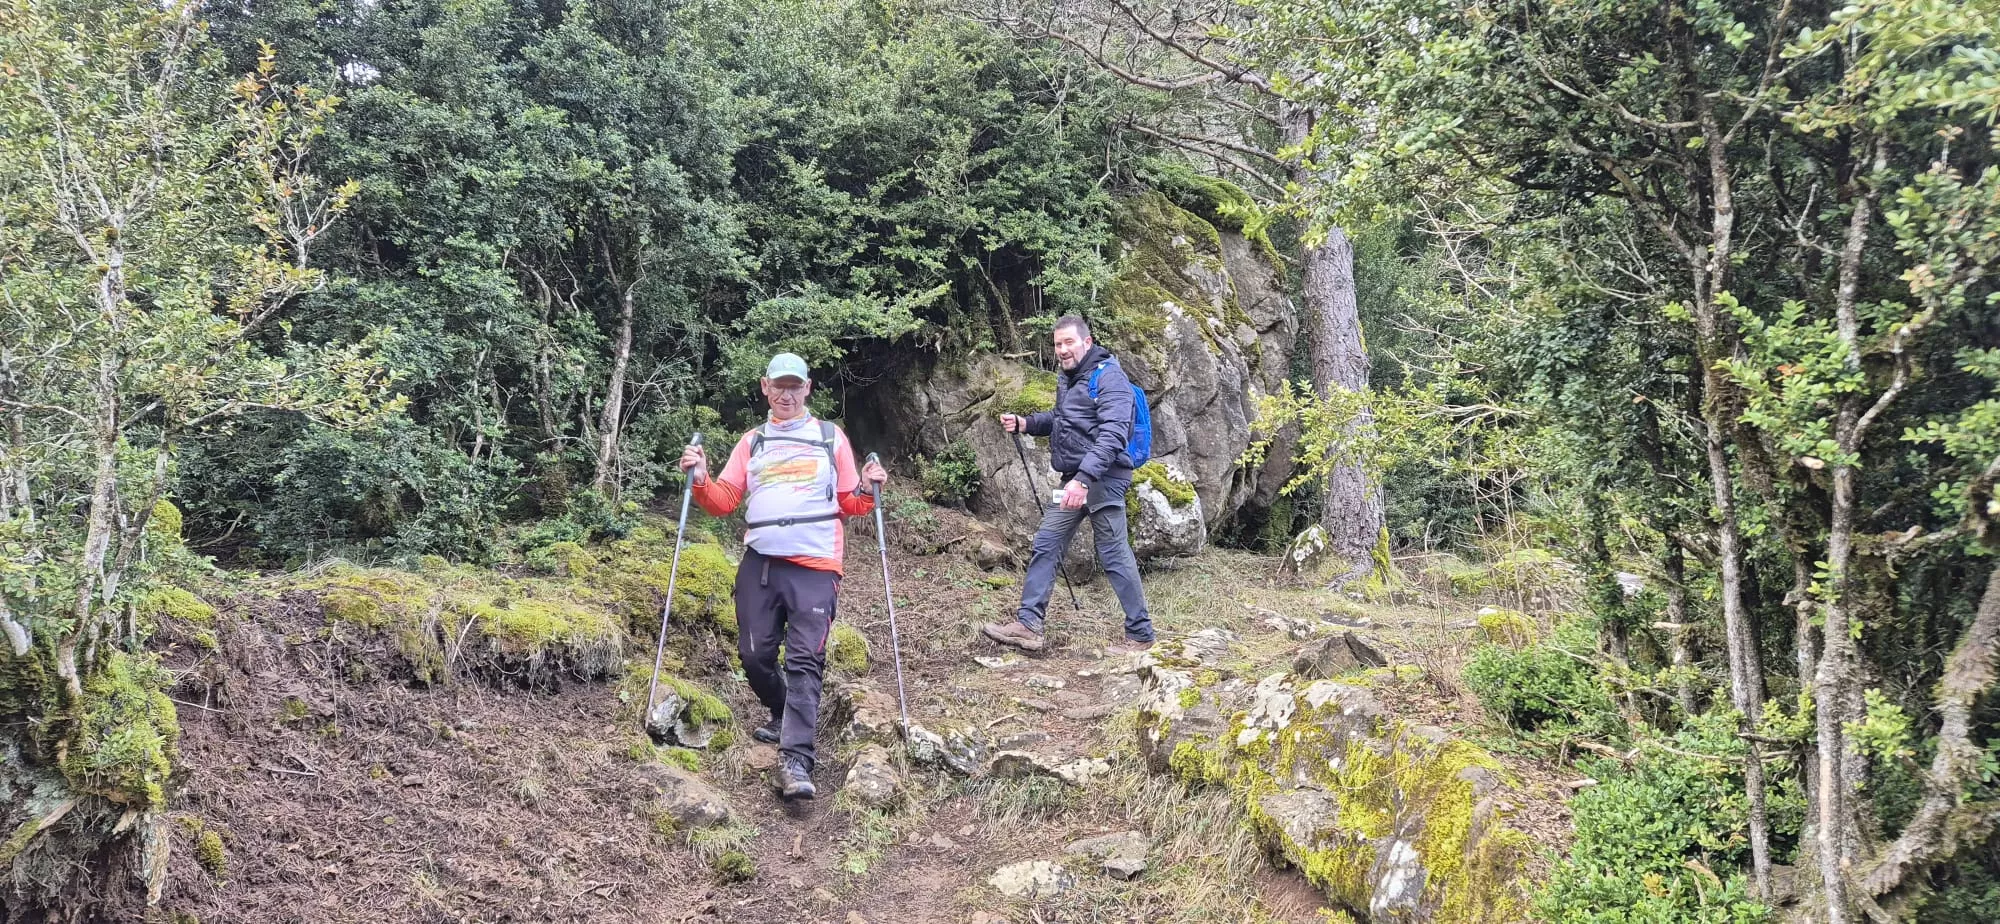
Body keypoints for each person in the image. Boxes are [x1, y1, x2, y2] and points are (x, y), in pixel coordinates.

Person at [679, 352, 887, 800]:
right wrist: (700, 478)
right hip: (762, 563)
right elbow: (723, 500)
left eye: (795, 386)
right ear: (765, 388)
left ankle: (796, 761)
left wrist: (871, 487)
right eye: (780, 386)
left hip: (815, 565)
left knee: (805, 661)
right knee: (754, 655)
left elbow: (851, 503)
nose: (787, 394)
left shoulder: (830, 438)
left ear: (808, 388)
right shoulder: (751, 442)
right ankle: (781, 709)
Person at [983, 315, 1155, 655]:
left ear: (1087, 342)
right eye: (1058, 344)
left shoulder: (1110, 378)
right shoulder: (1071, 378)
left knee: (1113, 553)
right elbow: (1064, 421)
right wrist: (1026, 423)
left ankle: (1140, 635)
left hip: (1103, 478)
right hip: (1076, 479)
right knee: (1047, 542)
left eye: (1069, 343)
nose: (1062, 350)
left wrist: (1083, 479)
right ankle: (1028, 624)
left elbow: (1113, 435)